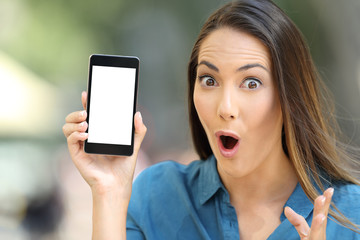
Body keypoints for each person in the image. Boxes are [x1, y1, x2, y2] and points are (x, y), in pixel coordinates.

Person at [63, 0, 360, 239]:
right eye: (208, 79)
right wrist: (109, 192)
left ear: (289, 98)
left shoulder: (351, 213)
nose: (225, 107)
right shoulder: (158, 195)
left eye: (251, 83)